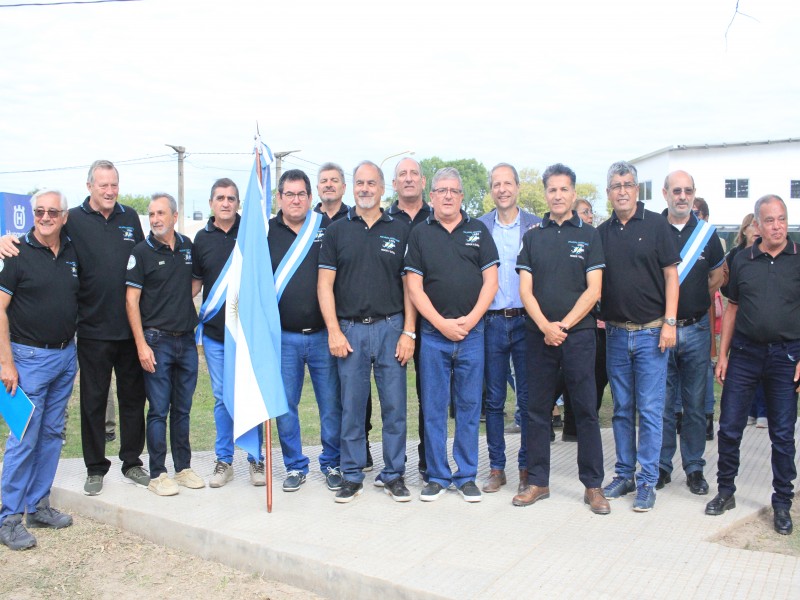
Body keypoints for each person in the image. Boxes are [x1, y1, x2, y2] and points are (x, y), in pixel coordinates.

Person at [0, 160, 149, 496]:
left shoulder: (129, 218)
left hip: (129, 329)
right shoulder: (73, 219)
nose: (110, 191)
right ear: (89, 187)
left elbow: (142, 258)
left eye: (114, 185)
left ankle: (132, 462)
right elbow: (42, 235)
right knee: (93, 402)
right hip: (91, 329)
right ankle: (95, 468)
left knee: (132, 399)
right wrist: (4, 239)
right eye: (103, 185)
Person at [512, 164, 608, 514]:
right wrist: (545, 326)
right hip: (538, 338)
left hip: (579, 337)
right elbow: (525, 289)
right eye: (551, 189)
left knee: (585, 411)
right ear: (546, 192)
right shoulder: (533, 237)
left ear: (572, 192)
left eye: (563, 189)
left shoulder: (590, 236)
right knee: (536, 411)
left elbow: (593, 289)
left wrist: (563, 326)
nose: (557, 195)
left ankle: (593, 486)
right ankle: (538, 481)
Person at [318, 160, 415, 503]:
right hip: (350, 332)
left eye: (371, 183)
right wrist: (333, 330)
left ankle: (393, 474)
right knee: (352, 409)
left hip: (392, 328)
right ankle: (352, 475)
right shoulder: (336, 231)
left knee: (394, 408)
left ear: (382, 188)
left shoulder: (401, 229)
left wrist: (409, 332)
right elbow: (324, 286)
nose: (365, 189)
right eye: (359, 183)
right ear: (352, 187)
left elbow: (410, 287)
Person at [405, 167, 499, 503]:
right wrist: (441, 324)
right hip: (433, 334)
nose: (447, 196)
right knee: (433, 407)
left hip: (472, 335)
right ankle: (437, 476)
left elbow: (491, 281)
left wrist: (471, 320)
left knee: (469, 406)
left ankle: (466, 475)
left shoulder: (478, 231)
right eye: (441, 190)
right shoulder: (420, 233)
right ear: (432, 196)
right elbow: (414, 287)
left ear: (461, 196)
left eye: (453, 191)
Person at [708, 194, 800, 536]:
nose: (777, 226)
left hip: (786, 356)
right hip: (745, 355)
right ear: (757, 226)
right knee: (729, 427)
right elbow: (731, 308)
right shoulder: (742, 260)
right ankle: (726, 491)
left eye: (782, 219)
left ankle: (782, 503)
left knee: (782, 435)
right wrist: (724, 354)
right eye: (769, 220)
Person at [598, 161, 680, 512]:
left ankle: (647, 481)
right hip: (616, 334)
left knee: (649, 410)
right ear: (608, 193)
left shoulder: (658, 226)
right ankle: (623, 474)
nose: (622, 191)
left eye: (628, 184)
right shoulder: (602, 232)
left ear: (637, 189)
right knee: (621, 410)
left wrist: (671, 322)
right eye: (616, 185)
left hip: (651, 334)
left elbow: (671, 276)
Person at [0, 190, 78, 551]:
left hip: (65, 357)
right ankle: (8, 517)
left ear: (64, 216)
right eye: (39, 211)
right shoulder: (14, 252)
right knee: (23, 436)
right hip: (27, 359)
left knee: (51, 433)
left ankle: (38, 506)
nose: (45, 217)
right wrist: (6, 363)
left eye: (52, 212)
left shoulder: (72, 250)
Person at [270, 169, 342, 493]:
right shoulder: (266, 233)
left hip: (323, 336)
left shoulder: (328, 229)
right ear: (279, 198)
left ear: (310, 198)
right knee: (285, 406)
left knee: (331, 404)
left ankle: (332, 463)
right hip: (284, 338)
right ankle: (295, 466)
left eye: (301, 194)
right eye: (289, 194)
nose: (296, 200)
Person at [126, 193, 203, 496]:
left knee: (182, 409)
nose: (155, 219)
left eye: (161, 213)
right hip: (155, 341)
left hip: (186, 340)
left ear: (175, 215)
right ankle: (158, 473)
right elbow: (131, 301)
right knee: (159, 410)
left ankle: (182, 468)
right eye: (151, 214)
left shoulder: (187, 246)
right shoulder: (140, 252)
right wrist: (142, 344)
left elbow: (194, 283)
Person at [192, 178, 265, 488]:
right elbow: (194, 286)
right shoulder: (201, 238)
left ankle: (256, 459)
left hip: (247, 335)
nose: (225, 203)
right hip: (215, 336)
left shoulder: (251, 235)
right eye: (220, 198)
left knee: (250, 396)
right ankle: (224, 460)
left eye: (231, 198)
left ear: (238, 204)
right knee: (222, 399)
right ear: (211, 203)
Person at [657, 171, 724, 496]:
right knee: (664, 403)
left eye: (687, 191)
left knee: (696, 404)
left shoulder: (707, 235)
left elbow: (716, 279)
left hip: (696, 329)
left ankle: (694, 467)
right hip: (662, 331)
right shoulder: (654, 229)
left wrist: (692, 299)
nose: (682, 196)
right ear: (665, 194)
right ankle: (661, 466)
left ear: (694, 194)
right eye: (676, 191)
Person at [478, 162, 540, 494]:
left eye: (508, 183)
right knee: (494, 401)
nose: (502, 189)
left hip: (526, 322)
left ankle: (527, 467)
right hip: (490, 322)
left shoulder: (536, 226)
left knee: (528, 400)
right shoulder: (479, 227)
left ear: (517, 187)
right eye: (496, 184)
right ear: (492, 190)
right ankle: (497, 467)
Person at [387, 157, 432, 477]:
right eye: (402, 174)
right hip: (393, 321)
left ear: (423, 181)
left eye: (414, 173)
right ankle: (388, 463)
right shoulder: (385, 220)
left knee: (429, 396)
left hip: (432, 320)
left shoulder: (439, 217)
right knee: (391, 398)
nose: (408, 179)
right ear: (394, 184)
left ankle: (429, 461)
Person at [560, 198, 609, 442]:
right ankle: (570, 426)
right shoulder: (564, 241)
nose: (589, 216)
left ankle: (580, 427)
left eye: (590, 211)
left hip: (597, 323)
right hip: (569, 323)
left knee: (594, 379)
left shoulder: (594, 239)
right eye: (584, 212)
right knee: (568, 380)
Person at [719, 213, 767, 428]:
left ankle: (763, 412)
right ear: (744, 229)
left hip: (764, 323)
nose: (755, 229)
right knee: (744, 372)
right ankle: (748, 411)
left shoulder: (769, 254)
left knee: (765, 369)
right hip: (740, 321)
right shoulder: (735, 256)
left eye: (758, 224)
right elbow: (727, 288)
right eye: (751, 225)